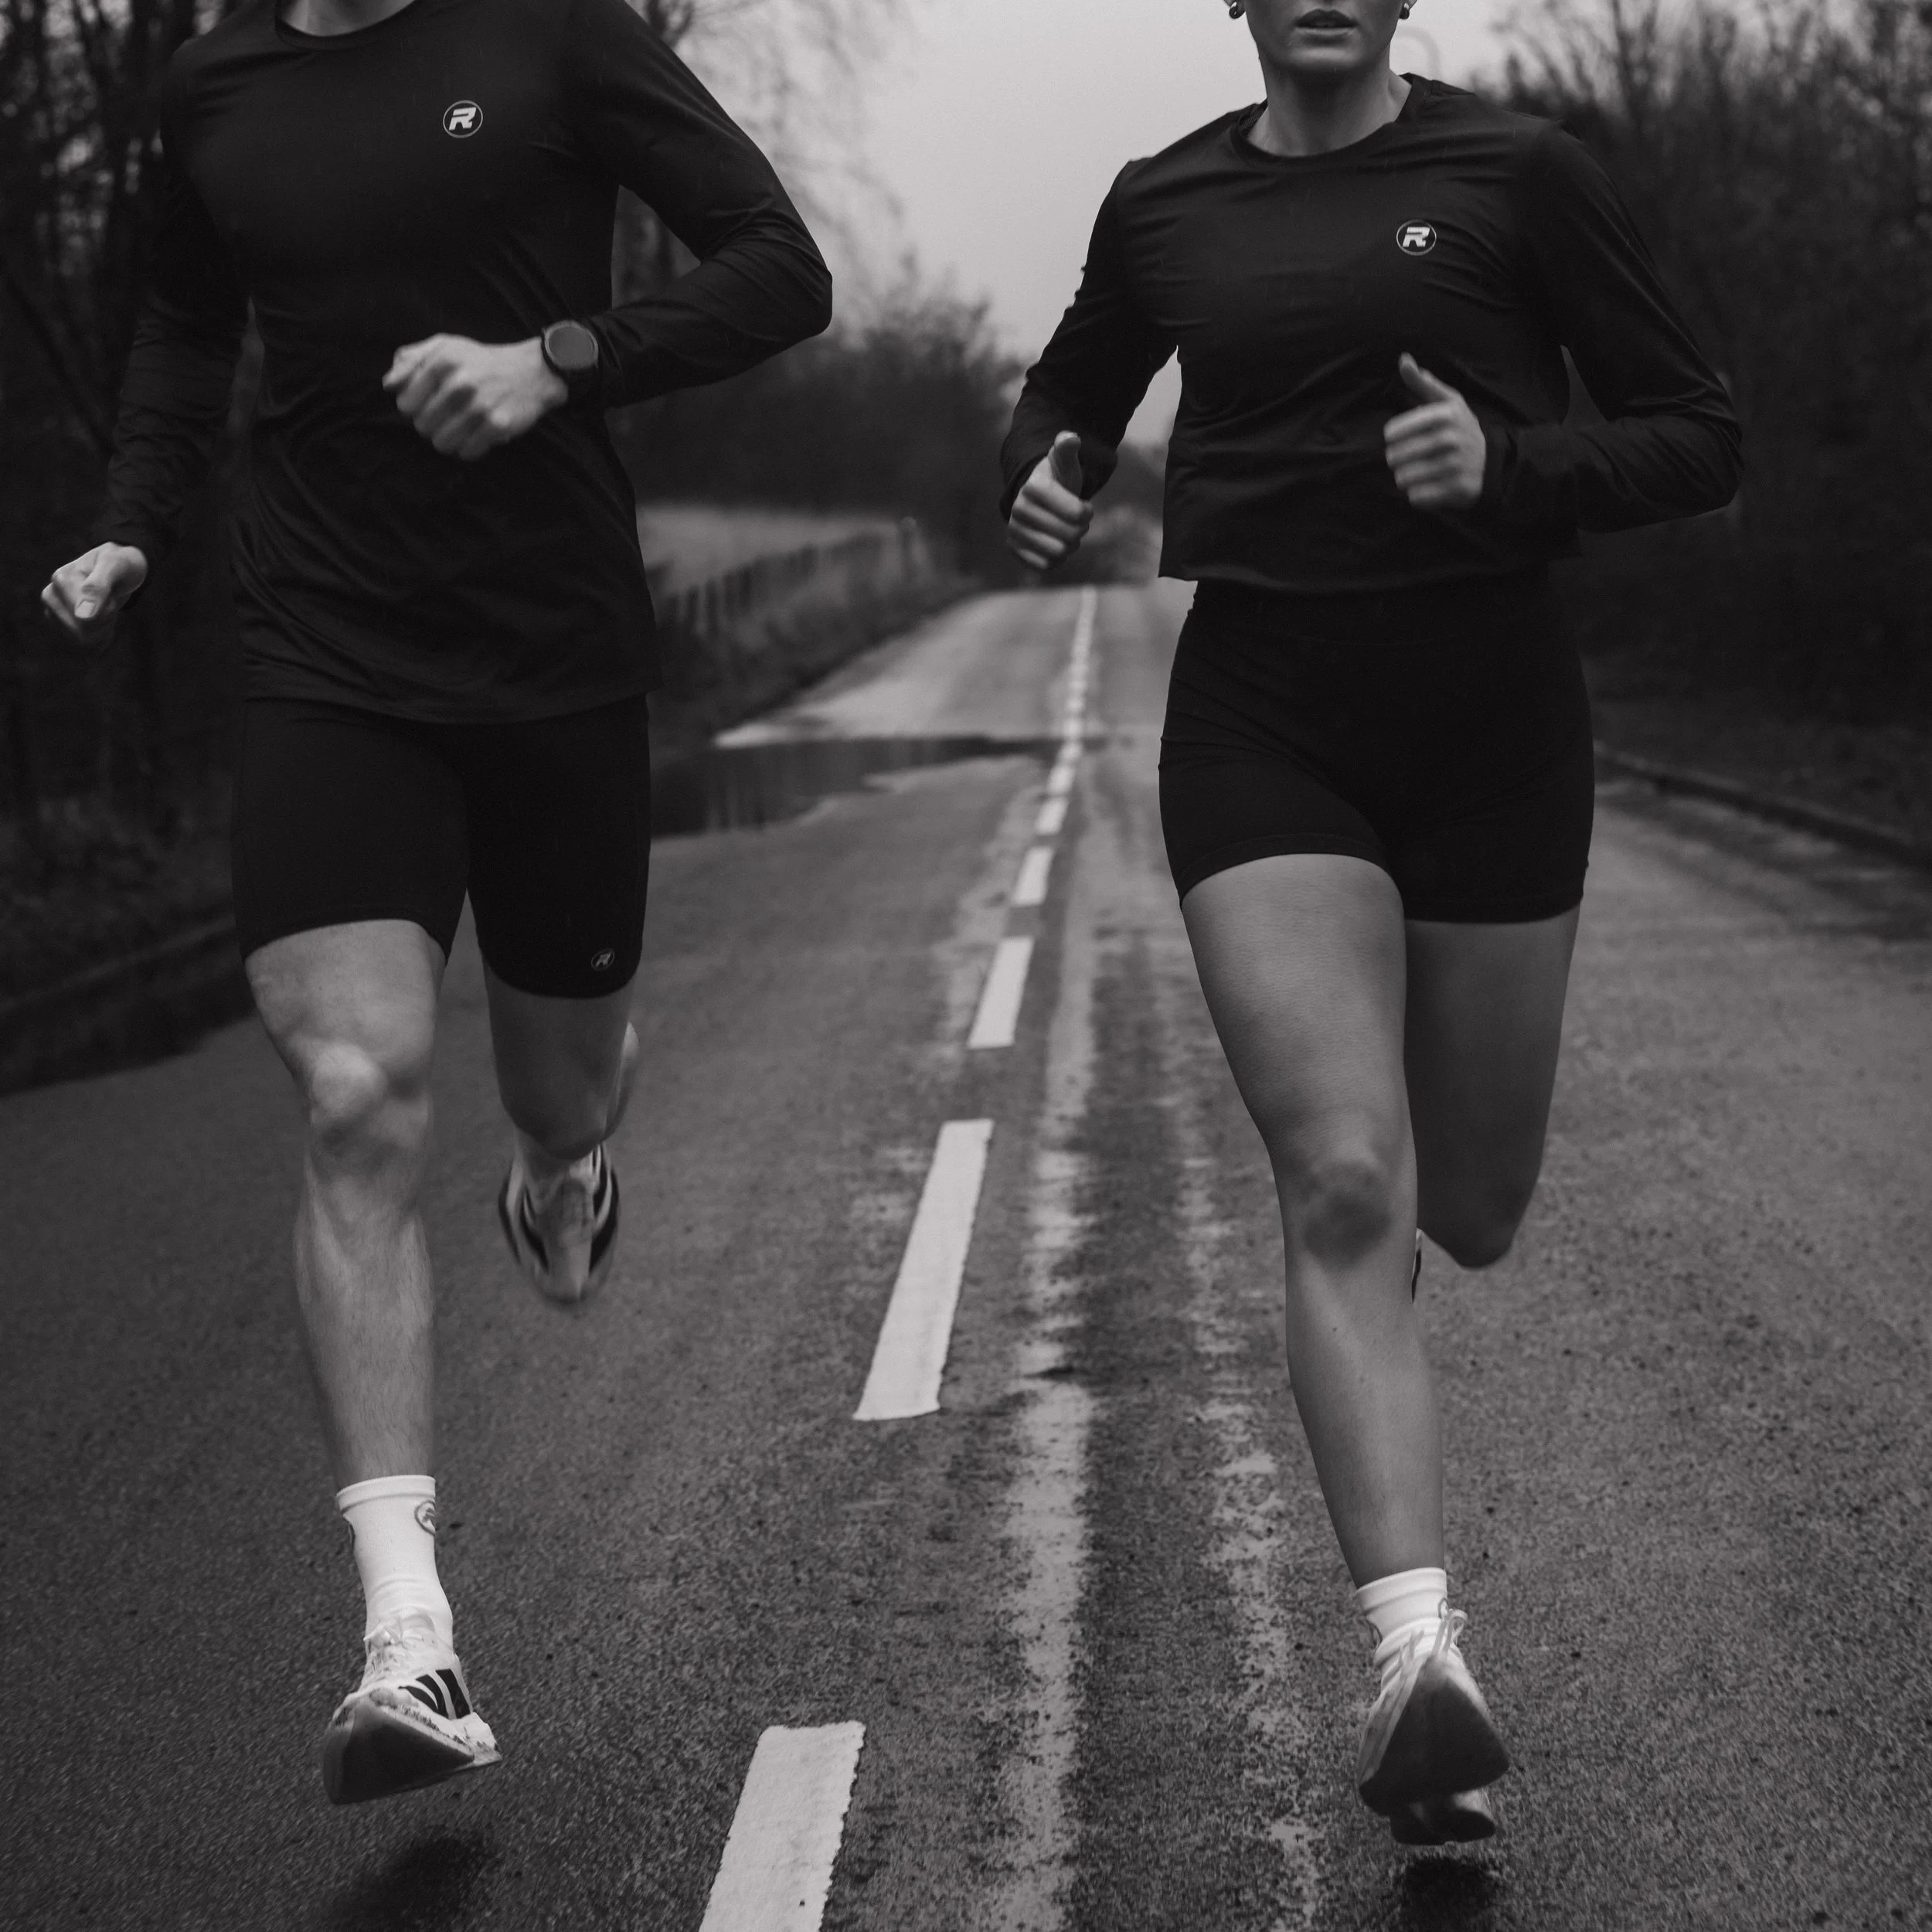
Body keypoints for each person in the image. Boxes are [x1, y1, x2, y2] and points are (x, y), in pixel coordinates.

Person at [42, 0, 831, 1805]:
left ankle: (562, 1167)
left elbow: (779, 270)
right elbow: (182, 325)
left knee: (563, 1086)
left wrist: (562, 355)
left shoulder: (554, 33)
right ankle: (408, 1636)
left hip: (552, 652)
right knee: (353, 1090)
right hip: (321, 643)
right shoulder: (214, 85)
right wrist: (140, 517)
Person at [1002, 0, 1739, 1847]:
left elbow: (1696, 435)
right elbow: (1069, 388)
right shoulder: (1162, 201)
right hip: (1264, 714)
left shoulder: (1518, 172)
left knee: (1463, 1203)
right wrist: (1043, 466)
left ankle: (1409, 1576)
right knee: (1340, 1178)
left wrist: (1510, 466)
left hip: (1492, 721)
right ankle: (1418, 1664)